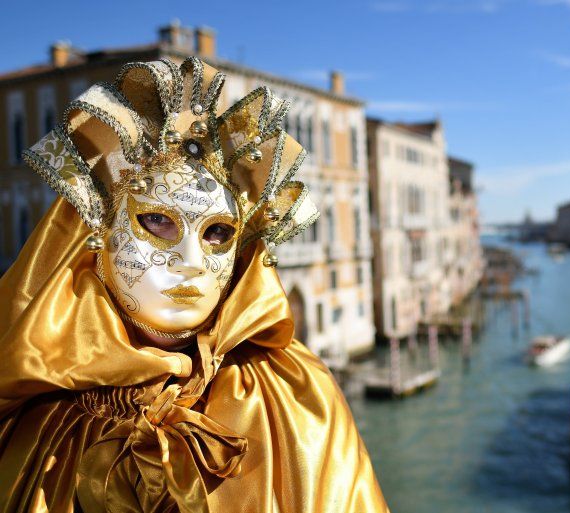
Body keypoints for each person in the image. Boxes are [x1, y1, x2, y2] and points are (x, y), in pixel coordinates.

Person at [0, 57, 389, 513]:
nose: (190, 263)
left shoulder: (297, 401)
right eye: (158, 222)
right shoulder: (41, 418)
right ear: (96, 236)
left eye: (218, 234)